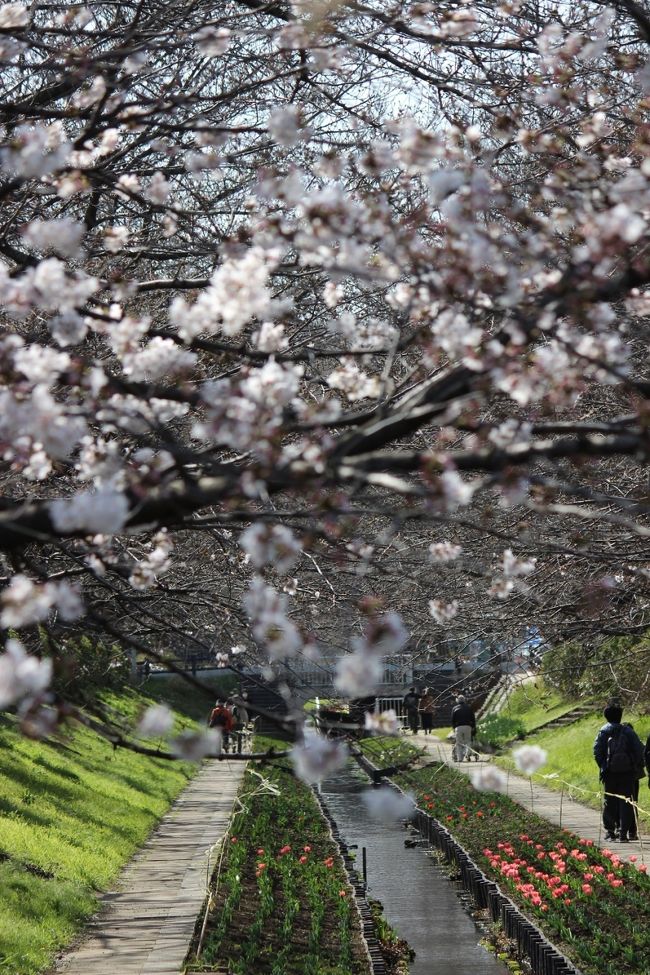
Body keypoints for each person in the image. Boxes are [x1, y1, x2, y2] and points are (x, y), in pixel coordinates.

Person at [593, 703, 644, 842]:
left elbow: (597, 752)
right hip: (627, 773)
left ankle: (610, 832)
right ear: (620, 716)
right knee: (626, 802)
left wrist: (604, 767)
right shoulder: (628, 731)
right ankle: (623, 834)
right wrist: (632, 765)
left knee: (610, 801)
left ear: (606, 716)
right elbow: (639, 750)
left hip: (609, 773)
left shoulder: (603, 731)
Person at [451, 694, 476, 761]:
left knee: (459, 743)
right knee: (468, 741)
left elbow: (453, 720)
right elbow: (473, 719)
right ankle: (467, 754)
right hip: (468, 726)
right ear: (464, 700)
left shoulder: (454, 708)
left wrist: (453, 728)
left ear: (458, 701)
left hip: (458, 727)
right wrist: (473, 727)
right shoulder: (469, 708)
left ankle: (460, 758)